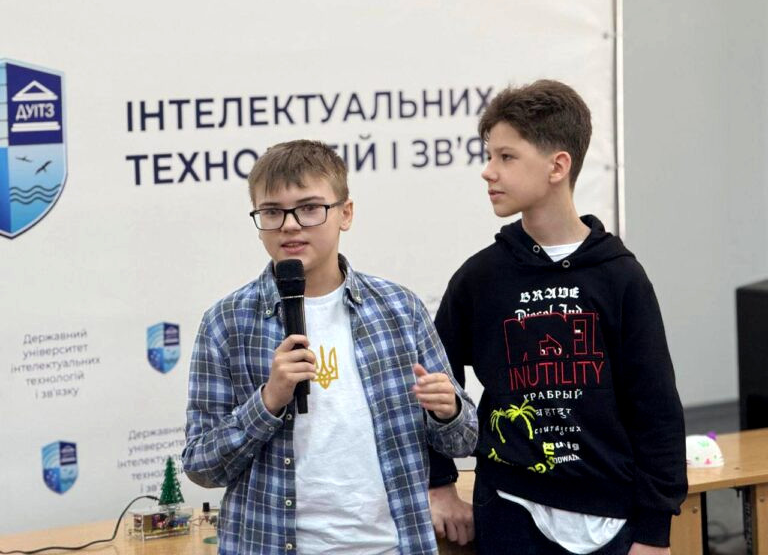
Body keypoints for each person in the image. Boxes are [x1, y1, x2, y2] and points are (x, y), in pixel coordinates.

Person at [181, 139, 478, 555]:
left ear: (346, 213)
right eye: (272, 212)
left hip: (391, 546)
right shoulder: (227, 322)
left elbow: (464, 440)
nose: (290, 225)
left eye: (309, 208)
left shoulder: (399, 309)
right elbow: (201, 465)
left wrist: (448, 411)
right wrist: (267, 401)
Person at [428, 80, 687, 555]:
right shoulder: (480, 278)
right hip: (508, 510)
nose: (488, 171)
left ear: (557, 166)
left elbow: (657, 410)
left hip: (611, 518)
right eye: (489, 156)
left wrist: (654, 532)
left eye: (506, 157)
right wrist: (439, 482)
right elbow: (431, 382)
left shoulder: (620, 277)